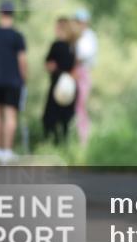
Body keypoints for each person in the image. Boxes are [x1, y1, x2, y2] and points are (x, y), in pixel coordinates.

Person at [0, 0, 27, 164]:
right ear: (12, 14)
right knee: (10, 115)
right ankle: (7, 152)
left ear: (0, 13)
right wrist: (24, 79)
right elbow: (22, 61)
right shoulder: (17, 36)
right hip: (14, 81)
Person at [42, 17, 77, 144]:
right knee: (65, 119)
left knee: (49, 117)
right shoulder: (73, 46)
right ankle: (64, 144)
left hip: (58, 85)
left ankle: (53, 142)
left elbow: (49, 65)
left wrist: (57, 71)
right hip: (71, 85)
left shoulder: (57, 45)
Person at [73, 8, 98, 145]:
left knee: (80, 107)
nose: (79, 24)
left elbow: (82, 56)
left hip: (83, 74)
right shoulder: (73, 36)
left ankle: (83, 140)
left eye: (81, 21)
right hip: (71, 74)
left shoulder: (89, 36)